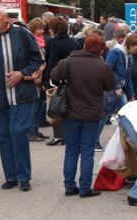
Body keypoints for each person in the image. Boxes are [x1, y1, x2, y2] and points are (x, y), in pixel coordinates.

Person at [0, 3, 43, 191]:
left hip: (22, 95)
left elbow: (37, 60)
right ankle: (11, 177)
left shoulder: (22, 34)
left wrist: (21, 74)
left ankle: (24, 177)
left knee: (19, 132)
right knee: (4, 136)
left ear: (5, 18)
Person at [50, 34, 115, 197]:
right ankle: (85, 188)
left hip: (69, 112)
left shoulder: (67, 62)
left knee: (71, 150)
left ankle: (69, 186)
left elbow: (54, 77)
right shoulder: (102, 67)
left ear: (84, 46)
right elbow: (110, 86)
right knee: (87, 152)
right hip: (92, 114)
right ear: (101, 50)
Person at [43, 17, 81, 146]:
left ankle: (58, 135)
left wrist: (46, 81)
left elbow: (51, 63)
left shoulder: (54, 43)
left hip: (57, 78)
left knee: (56, 106)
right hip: (73, 77)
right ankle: (69, 134)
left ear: (53, 29)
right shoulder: (73, 42)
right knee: (70, 106)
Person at [99, 33, 137, 150]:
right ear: (130, 44)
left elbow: (127, 76)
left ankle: (127, 141)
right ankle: (94, 140)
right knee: (104, 115)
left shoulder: (129, 56)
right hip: (111, 89)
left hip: (120, 89)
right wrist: (115, 86)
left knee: (126, 115)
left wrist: (131, 94)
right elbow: (107, 70)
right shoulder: (116, 52)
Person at [27, 18, 49, 143]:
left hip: (40, 74)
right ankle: (31, 131)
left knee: (38, 104)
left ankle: (35, 129)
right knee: (34, 106)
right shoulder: (32, 42)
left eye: (43, 28)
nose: (42, 31)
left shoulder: (40, 41)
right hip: (35, 76)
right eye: (39, 28)